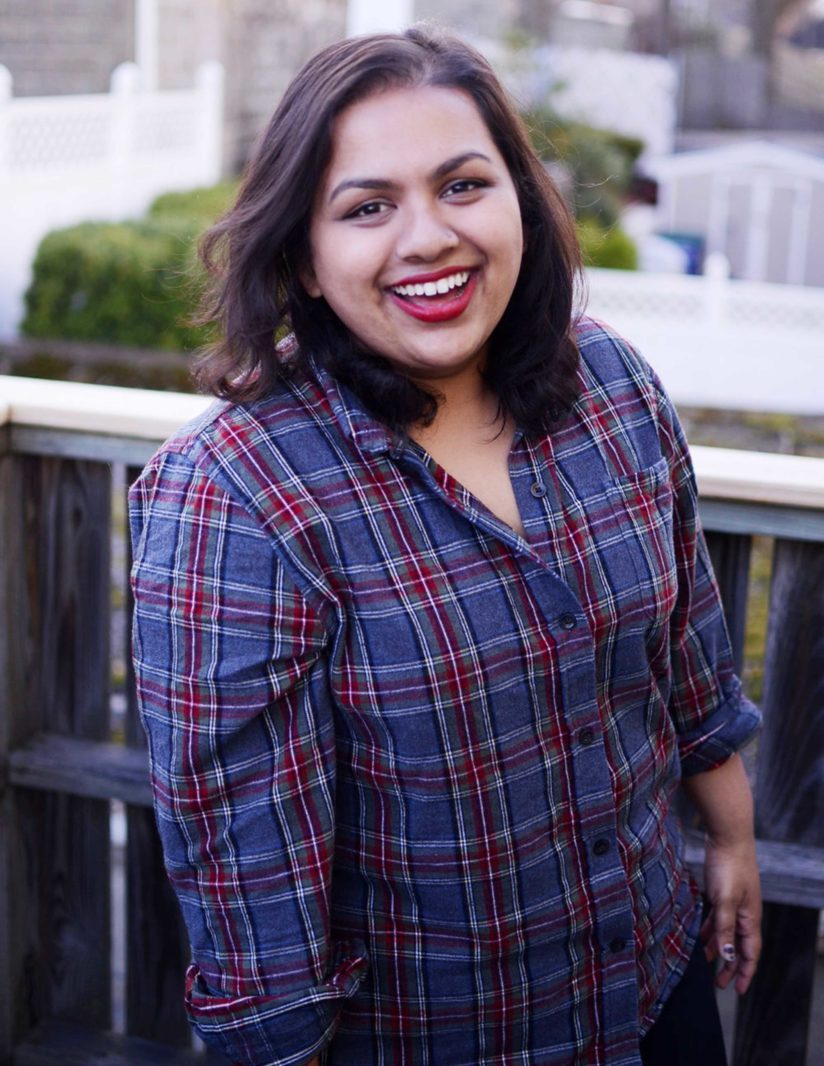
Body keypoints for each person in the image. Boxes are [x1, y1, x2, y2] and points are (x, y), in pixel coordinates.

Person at [129, 25, 762, 1066]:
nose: (427, 237)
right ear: (304, 258)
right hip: (443, 1037)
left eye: (463, 185)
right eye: (368, 207)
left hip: (654, 977)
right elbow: (250, 887)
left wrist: (730, 839)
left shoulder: (608, 385)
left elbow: (685, 650)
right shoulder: (238, 496)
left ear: (519, 198)